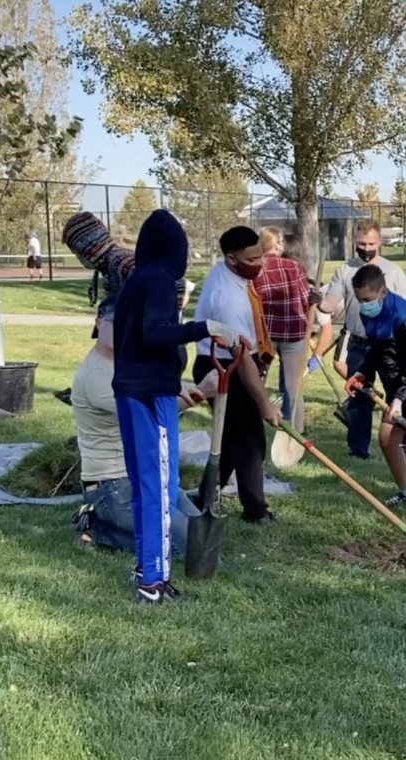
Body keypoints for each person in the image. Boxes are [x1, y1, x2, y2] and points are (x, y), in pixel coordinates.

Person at [111, 210, 243, 604]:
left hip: (130, 391)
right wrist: (206, 328)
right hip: (152, 396)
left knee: (145, 486)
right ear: (176, 251)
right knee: (161, 489)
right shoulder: (158, 281)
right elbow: (154, 335)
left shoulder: (136, 281)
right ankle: (154, 582)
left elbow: (143, 338)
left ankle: (145, 564)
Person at [71, 294, 219, 556]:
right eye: (115, 323)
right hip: (113, 485)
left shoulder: (129, 363)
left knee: (203, 537)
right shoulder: (96, 377)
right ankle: (99, 526)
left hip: (146, 475)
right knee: (185, 550)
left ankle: (106, 526)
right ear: (97, 324)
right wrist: (200, 392)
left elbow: (160, 390)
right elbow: (149, 412)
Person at [192, 226, 284, 526]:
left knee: (231, 438)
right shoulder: (226, 298)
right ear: (232, 259)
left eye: (261, 255)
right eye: (252, 259)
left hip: (235, 361)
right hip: (222, 368)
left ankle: (203, 496)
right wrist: (264, 402)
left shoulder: (233, 275)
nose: (259, 263)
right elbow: (241, 359)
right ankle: (255, 510)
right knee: (249, 440)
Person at [343, 264, 406, 526]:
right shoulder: (368, 312)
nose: (364, 305)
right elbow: (377, 347)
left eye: (367, 299)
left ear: (383, 292)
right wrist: (362, 372)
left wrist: (399, 399)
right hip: (398, 377)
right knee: (387, 438)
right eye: (360, 299)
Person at [319, 220, 406, 459]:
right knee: (360, 397)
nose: (366, 248)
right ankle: (358, 449)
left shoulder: (392, 272)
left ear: (379, 242)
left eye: (371, 243)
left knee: (397, 395)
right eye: (362, 243)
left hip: (388, 344)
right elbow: (329, 303)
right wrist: (315, 300)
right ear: (355, 242)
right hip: (359, 343)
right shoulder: (345, 270)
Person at [254, 226, 309, 426]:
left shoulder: (255, 269)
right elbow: (305, 300)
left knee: (258, 380)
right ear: (278, 243)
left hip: (264, 333)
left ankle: (252, 422)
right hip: (293, 332)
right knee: (293, 383)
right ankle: (298, 428)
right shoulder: (293, 267)